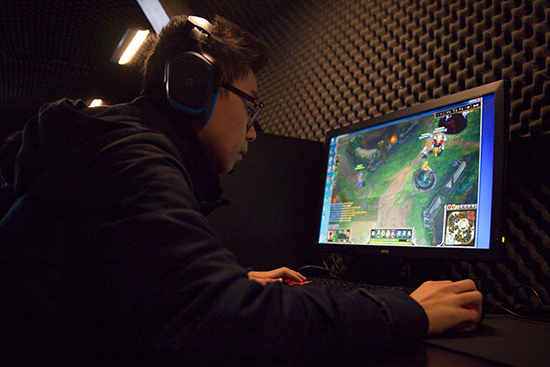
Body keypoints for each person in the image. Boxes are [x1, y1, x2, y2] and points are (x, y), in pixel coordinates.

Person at [0, 14, 482, 366]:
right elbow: (220, 327)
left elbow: (129, 293)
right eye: (250, 107)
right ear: (194, 86)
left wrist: (230, 282)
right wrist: (411, 309)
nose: (253, 131)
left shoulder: (109, 150)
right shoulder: (129, 158)